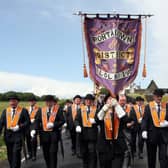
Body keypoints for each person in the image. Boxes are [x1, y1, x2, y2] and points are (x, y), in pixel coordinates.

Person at [96, 93, 130, 168]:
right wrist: (105, 109)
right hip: (104, 146)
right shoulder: (101, 110)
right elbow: (97, 120)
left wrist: (117, 107)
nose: (111, 100)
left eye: (113, 99)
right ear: (105, 102)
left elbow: (126, 120)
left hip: (118, 146)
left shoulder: (120, 110)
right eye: (109, 99)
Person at [34, 95, 65, 168]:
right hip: (44, 136)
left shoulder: (58, 110)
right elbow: (37, 121)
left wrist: (54, 124)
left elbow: (62, 121)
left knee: (53, 153)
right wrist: (34, 129)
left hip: (54, 135)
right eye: (47, 102)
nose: (48, 103)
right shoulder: (41, 110)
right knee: (46, 154)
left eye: (50, 101)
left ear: (53, 102)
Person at [0, 94, 30, 168]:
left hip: (18, 136)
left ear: (17, 102)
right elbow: (1, 124)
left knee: (16, 153)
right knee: (10, 155)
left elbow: (28, 122)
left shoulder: (23, 111)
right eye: (10, 101)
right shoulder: (5, 111)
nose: (12, 102)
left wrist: (19, 126)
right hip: (8, 136)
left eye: (14, 101)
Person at [141, 89, 168, 168]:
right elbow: (145, 120)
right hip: (152, 135)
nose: (159, 98)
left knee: (164, 157)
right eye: (158, 96)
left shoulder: (166, 106)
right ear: (154, 96)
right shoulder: (148, 106)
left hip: (163, 136)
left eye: (161, 96)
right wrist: (144, 130)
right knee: (151, 157)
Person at [75, 94, 98, 168]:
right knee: (84, 153)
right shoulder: (81, 109)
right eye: (87, 100)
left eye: (90, 100)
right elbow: (76, 119)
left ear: (92, 101)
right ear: (85, 101)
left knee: (92, 153)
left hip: (92, 135)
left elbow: (101, 120)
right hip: (83, 135)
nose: (88, 101)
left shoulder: (96, 109)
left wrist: (96, 121)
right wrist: (77, 125)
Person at [25, 95, 41, 161]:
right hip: (27, 127)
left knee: (33, 141)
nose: (31, 102)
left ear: (35, 102)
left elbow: (39, 118)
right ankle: (30, 153)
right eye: (30, 101)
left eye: (33, 101)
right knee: (28, 140)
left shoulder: (39, 109)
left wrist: (34, 121)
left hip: (34, 127)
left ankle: (34, 155)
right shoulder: (26, 109)